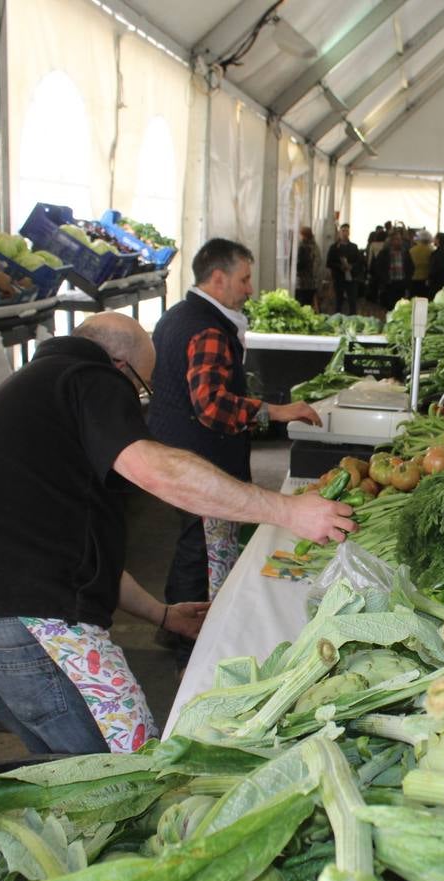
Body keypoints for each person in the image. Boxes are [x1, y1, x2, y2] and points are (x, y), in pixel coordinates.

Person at [0, 312, 354, 754]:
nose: (137, 399)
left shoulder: (29, 394)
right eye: (142, 387)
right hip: (35, 624)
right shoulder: (88, 379)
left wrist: (160, 614)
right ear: (120, 366)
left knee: (66, 777)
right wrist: (287, 510)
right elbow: (157, 470)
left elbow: (70, 550)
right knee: (130, 767)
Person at [147, 240, 326, 666]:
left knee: (192, 541)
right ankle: (192, 643)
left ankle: (178, 629)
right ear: (218, 278)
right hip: (201, 459)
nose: (249, 289)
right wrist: (277, 411)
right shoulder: (208, 329)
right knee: (204, 552)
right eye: (244, 279)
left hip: (174, 454)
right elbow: (212, 406)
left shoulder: (176, 315)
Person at [369, 230, 413, 309]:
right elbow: (378, 268)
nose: (399, 241)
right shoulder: (384, 253)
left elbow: (411, 267)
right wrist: (384, 280)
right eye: (397, 239)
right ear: (391, 241)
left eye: (400, 239)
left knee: (402, 306)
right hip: (390, 283)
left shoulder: (405, 252)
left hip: (402, 283)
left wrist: (407, 280)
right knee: (390, 306)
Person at [326, 223, 364, 315]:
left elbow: (359, 262)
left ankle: (353, 319)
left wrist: (352, 266)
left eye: (346, 231)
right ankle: (337, 318)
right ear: (339, 232)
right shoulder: (334, 247)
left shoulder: (354, 247)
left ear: (349, 232)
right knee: (338, 300)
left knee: (352, 301)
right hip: (339, 277)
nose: (345, 233)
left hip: (352, 277)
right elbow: (329, 262)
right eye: (343, 231)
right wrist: (340, 267)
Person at [295, 226, 321, 310]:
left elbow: (301, 264)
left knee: (301, 305)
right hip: (312, 282)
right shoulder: (315, 246)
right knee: (308, 305)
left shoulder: (303, 247)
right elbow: (318, 262)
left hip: (303, 283)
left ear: (304, 235)